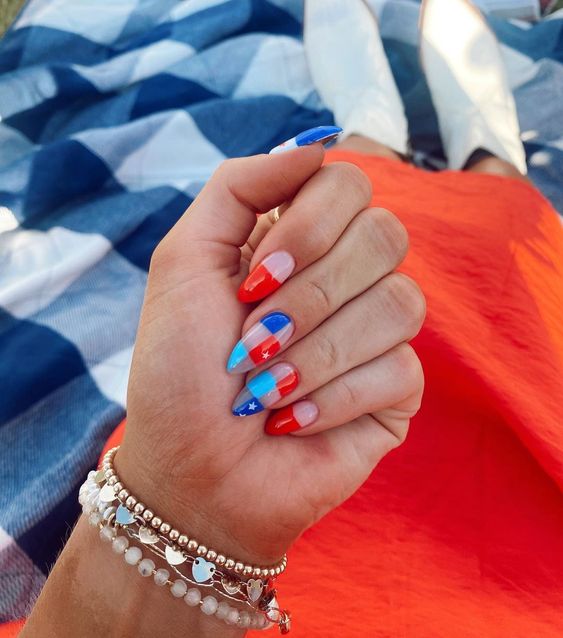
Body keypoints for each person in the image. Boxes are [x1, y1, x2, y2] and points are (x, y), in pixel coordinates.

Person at [17, 0, 563, 636]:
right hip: (526, 536)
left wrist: (188, 503)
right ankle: (489, 152)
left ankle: (373, 131)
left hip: (285, 509)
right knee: (498, 250)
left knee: (367, 208)